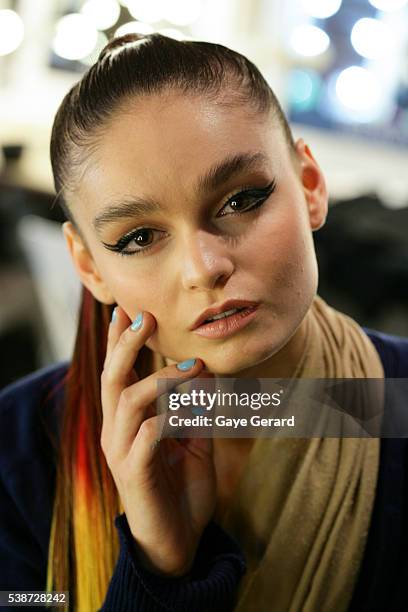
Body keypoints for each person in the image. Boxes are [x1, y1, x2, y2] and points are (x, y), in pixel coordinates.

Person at [1, 32, 408, 612]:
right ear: (89, 265)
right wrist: (158, 568)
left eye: (241, 200)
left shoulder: (397, 399)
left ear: (310, 186)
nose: (203, 268)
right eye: (139, 237)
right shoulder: (14, 452)